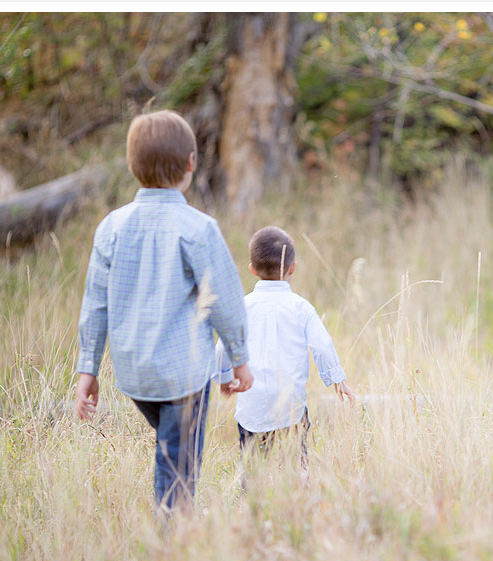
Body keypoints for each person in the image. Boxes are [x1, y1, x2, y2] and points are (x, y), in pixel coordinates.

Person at [75, 110, 253, 515]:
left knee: (172, 446)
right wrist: (239, 359)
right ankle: (173, 535)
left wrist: (89, 368)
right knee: (178, 464)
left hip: (135, 375)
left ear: (131, 164)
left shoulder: (111, 227)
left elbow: (95, 304)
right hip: (183, 374)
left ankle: (177, 518)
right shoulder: (198, 228)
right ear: (191, 163)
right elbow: (226, 298)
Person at [214, 226, 354, 472]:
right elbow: (322, 345)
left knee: (251, 469)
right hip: (292, 408)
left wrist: (225, 379)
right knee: (297, 467)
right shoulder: (301, 308)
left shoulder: (242, 307)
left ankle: (250, 503)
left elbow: (223, 347)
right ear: (292, 268)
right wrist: (337, 380)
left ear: (252, 270)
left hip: (252, 409)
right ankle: (297, 495)